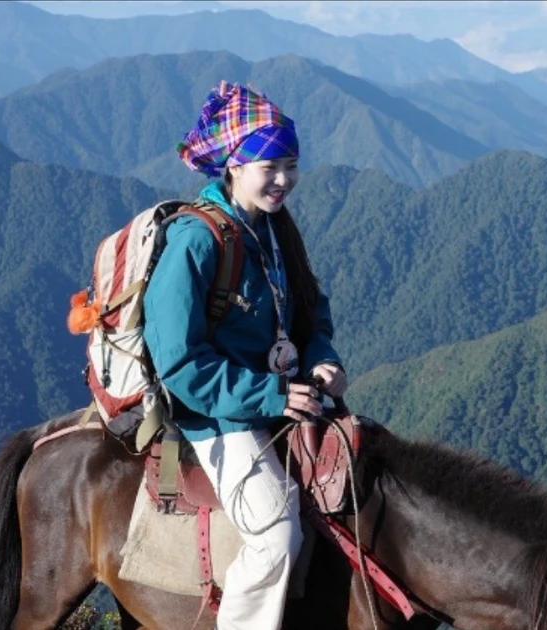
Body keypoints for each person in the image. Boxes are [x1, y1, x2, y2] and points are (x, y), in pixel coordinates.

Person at [142, 80, 347, 629]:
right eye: (269, 166)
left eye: (292, 165)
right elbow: (179, 363)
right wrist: (273, 394)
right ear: (233, 165)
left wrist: (322, 359)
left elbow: (309, 310)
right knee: (277, 530)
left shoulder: (275, 228)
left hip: (282, 396)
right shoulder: (196, 240)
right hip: (219, 416)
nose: (284, 180)